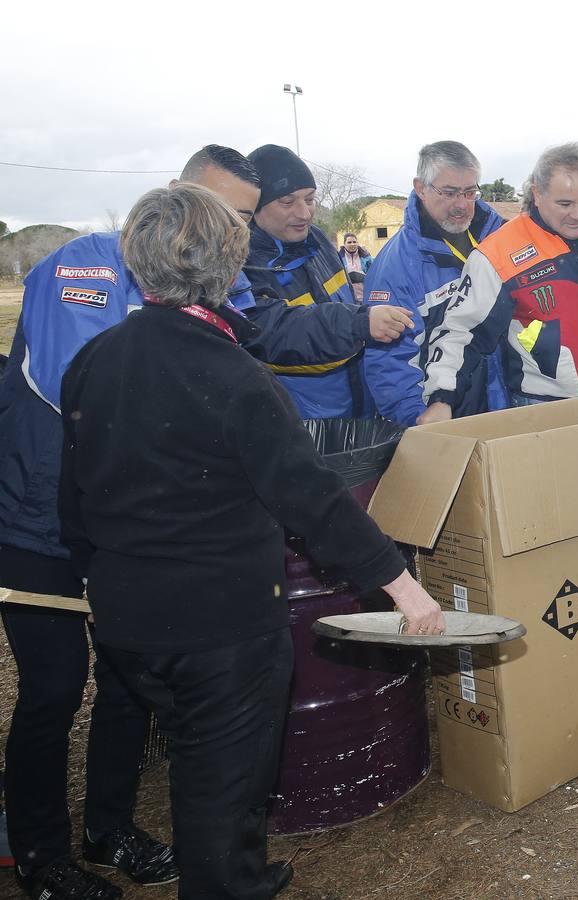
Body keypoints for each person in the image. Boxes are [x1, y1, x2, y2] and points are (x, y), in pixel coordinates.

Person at [58, 183, 445, 899]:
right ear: (230, 263)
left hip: (126, 622)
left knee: (198, 759)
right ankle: (227, 881)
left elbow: (73, 500)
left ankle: (241, 869)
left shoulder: (94, 360)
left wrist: (97, 580)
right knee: (222, 784)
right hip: (221, 627)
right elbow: (313, 499)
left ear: (136, 264)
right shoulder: (235, 373)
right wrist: (403, 584)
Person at [0, 143, 264, 900]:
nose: (228, 229)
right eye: (221, 209)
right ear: (176, 192)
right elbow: (84, 385)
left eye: (241, 217)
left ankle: (107, 827)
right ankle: (41, 859)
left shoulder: (219, 279)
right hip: (36, 513)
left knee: (126, 681)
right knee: (53, 686)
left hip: (119, 523)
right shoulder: (85, 264)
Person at [417, 143, 578, 420]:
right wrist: (442, 397)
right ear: (537, 193)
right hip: (545, 410)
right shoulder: (498, 253)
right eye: (564, 204)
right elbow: (460, 331)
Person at [238, 144, 413, 419]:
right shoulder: (240, 262)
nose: (304, 213)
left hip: (358, 407)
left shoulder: (317, 239)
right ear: (255, 207)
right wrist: (358, 322)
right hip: (299, 422)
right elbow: (270, 333)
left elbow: (336, 300)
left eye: (309, 199)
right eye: (287, 202)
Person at [363, 141, 509, 425]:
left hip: (506, 403)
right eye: (450, 193)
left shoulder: (500, 238)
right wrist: (418, 421)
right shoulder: (395, 267)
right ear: (421, 188)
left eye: (470, 192)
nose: (462, 205)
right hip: (443, 414)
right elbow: (389, 360)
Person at [339, 233, 371, 300]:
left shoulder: (367, 258)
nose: (352, 244)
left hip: (365, 295)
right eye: (349, 242)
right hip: (348, 297)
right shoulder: (339, 259)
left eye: (354, 242)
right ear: (344, 244)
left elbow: (373, 274)